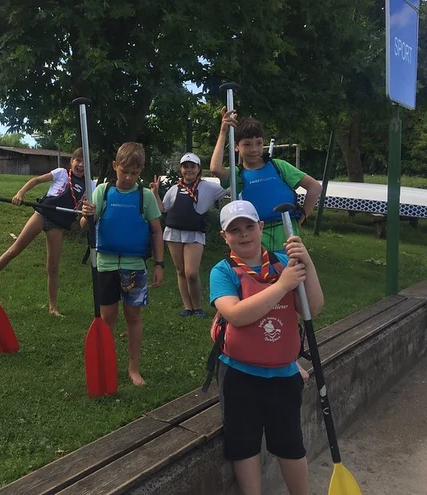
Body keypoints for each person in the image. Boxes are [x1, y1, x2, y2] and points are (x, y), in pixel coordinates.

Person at [209, 200, 323, 495]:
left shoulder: (285, 264)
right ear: (225, 236)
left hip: (283, 376)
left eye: (249, 226)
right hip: (239, 375)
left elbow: (315, 307)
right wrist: (282, 285)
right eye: (234, 230)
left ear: (261, 227)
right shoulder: (223, 272)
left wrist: (306, 263)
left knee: (289, 443)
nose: (244, 234)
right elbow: (236, 314)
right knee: (244, 444)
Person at [81, 142, 164, 386]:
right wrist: (87, 215)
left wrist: (159, 264)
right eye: (124, 171)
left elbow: (157, 231)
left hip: (135, 266)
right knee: (107, 317)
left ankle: (133, 368)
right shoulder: (102, 192)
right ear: (115, 166)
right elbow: (85, 226)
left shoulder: (145, 196)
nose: (128, 177)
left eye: (134, 173)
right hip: (105, 264)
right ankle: (107, 362)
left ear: (141, 171)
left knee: (133, 316)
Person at [0, 148, 91, 317]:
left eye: (84, 162)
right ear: (71, 161)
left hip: (58, 226)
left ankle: (53, 308)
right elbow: (35, 180)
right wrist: (20, 193)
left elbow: (85, 216)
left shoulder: (90, 186)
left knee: (53, 267)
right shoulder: (61, 173)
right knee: (14, 250)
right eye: (77, 160)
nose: (80, 165)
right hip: (42, 215)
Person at [209, 107, 322, 252]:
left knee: (291, 273)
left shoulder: (279, 166)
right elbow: (215, 168)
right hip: (256, 238)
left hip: (286, 234)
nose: (254, 149)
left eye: (259, 143)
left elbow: (314, 187)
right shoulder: (237, 174)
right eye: (247, 144)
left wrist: (304, 216)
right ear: (237, 147)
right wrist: (224, 131)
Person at [150, 152, 226, 318]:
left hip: (195, 233)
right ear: (181, 169)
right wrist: (155, 193)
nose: (189, 170)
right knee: (180, 271)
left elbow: (229, 185)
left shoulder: (208, 187)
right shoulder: (174, 189)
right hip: (173, 233)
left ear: (198, 169)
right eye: (185, 166)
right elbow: (162, 208)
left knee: (191, 272)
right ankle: (188, 307)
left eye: (193, 166)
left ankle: (197, 306)